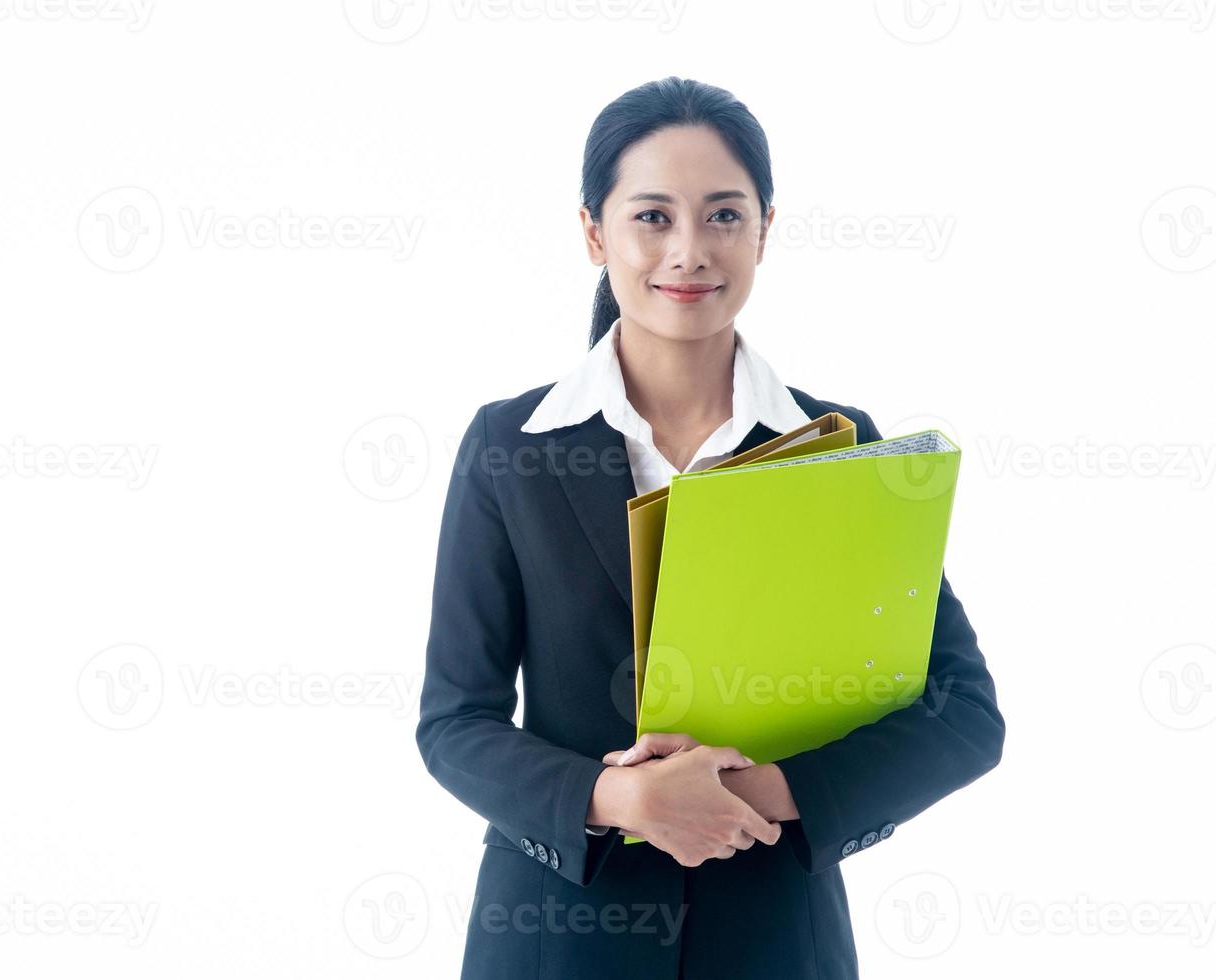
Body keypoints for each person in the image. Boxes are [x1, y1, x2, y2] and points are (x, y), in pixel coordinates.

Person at [416, 75, 1005, 980]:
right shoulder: (512, 445)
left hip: (773, 938)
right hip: (556, 939)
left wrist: (751, 795)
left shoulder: (839, 449)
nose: (689, 251)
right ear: (592, 232)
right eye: (652, 216)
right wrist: (622, 798)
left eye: (724, 215)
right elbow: (456, 722)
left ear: (765, 227)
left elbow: (963, 715)